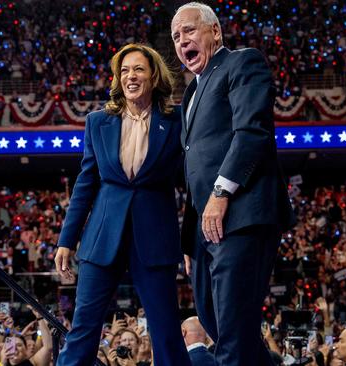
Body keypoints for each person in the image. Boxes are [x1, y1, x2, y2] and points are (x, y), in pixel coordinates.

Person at [171, 3, 293, 365]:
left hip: (241, 216)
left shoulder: (242, 62)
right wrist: (191, 237)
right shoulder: (191, 93)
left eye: (189, 31)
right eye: (176, 36)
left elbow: (252, 132)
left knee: (233, 334)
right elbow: (194, 169)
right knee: (218, 323)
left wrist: (222, 192)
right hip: (204, 228)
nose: (182, 41)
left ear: (215, 32)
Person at [54, 43, 191, 366]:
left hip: (155, 239)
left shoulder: (176, 121)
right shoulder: (97, 121)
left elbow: (193, 180)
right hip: (102, 237)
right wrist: (66, 240)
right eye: (125, 70)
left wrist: (191, 242)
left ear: (153, 75)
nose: (131, 76)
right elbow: (85, 184)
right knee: (84, 327)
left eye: (139, 69)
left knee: (166, 330)